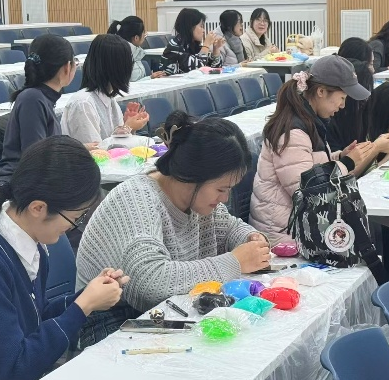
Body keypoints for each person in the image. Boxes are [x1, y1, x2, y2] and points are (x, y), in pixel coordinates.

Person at [0, 136, 129, 380]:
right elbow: (13, 370)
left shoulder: (29, 241)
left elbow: (32, 318)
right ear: (38, 208)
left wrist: (89, 295)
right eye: (75, 218)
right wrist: (82, 306)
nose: (73, 227)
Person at [75, 112, 270, 347]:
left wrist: (250, 239)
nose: (225, 198)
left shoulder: (197, 199)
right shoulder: (138, 199)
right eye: (221, 189)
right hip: (111, 320)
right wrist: (235, 262)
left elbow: (229, 228)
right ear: (192, 176)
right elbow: (150, 283)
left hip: (166, 312)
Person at [250, 55, 376, 244]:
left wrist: (340, 156)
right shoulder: (293, 131)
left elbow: (310, 165)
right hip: (283, 234)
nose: (343, 106)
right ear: (321, 91)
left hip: (298, 224)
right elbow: (306, 190)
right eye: (342, 98)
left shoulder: (309, 119)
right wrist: (347, 163)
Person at [0, 34, 77, 186]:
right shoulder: (33, 99)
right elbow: (36, 161)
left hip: (33, 184)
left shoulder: (40, 97)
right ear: (67, 67)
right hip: (18, 189)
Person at [61, 34, 149, 144]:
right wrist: (126, 128)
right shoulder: (83, 104)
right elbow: (96, 151)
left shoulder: (108, 98)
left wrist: (127, 126)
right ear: (117, 67)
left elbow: (119, 147)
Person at [159, 8, 224, 75]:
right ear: (190, 27)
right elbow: (198, 68)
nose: (204, 30)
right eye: (201, 26)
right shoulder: (175, 46)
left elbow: (214, 69)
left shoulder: (193, 44)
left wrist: (216, 50)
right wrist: (206, 44)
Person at [107, 15, 165, 81]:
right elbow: (128, 83)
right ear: (136, 38)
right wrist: (150, 78)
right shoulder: (123, 54)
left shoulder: (134, 52)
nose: (144, 36)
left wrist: (150, 77)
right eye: (143, 34)